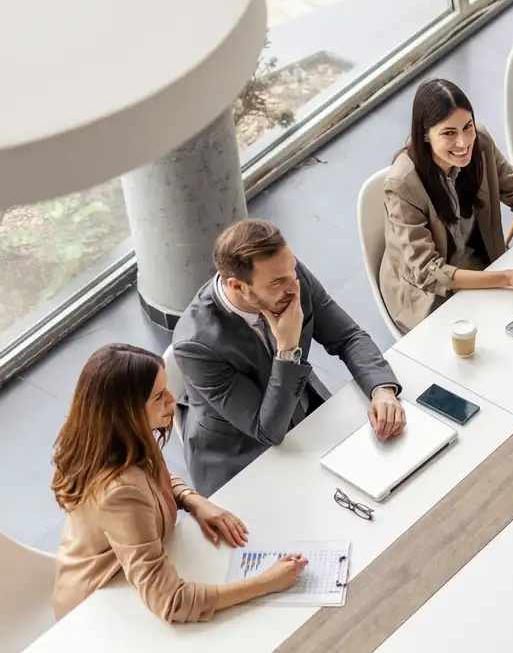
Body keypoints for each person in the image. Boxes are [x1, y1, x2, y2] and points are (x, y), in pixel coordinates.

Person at [50, 344, 306, 621]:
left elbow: (152, 480)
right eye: (159, 396)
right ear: (127, 413)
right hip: (99, 611)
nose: (173, 400)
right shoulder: (120, 492)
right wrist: (267, 582)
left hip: (127, 580)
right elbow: (173, 602)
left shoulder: (113, 441)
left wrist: (192, 499)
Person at [173, 219, 405, 496]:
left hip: (301, 410)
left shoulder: (288, 277)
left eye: (291, 271)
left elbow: (348, 337)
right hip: (242, 457)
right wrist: (287, 349)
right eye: (278, 282)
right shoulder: (195, 345)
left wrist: (382, 390)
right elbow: (266, 430)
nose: (293, 287)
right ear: (238, 286)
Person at [380, 78, 513, 332]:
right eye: (449, 133)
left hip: (480, 266)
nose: (463, 142)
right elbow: (429, 273)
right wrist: (507, 278)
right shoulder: (402, 185)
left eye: (467, 127)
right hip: (429, 297)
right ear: (425, 134)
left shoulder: (480, 143)